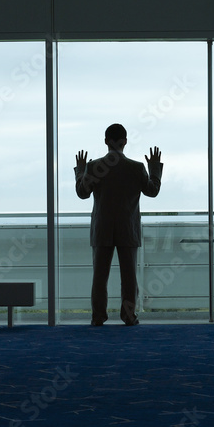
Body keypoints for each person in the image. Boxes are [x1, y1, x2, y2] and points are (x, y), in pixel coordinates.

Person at [75, 124, 162, 326]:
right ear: (125, 141)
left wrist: (80, 171)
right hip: (127, 229)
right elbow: (152, 190)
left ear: (106, 141)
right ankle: (129, 316)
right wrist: (155, 169)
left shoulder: (95, 166)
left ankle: (98, 317)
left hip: (102, 229)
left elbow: (82, 192)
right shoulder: (136, 168)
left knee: (100, 277)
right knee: (129, 278)